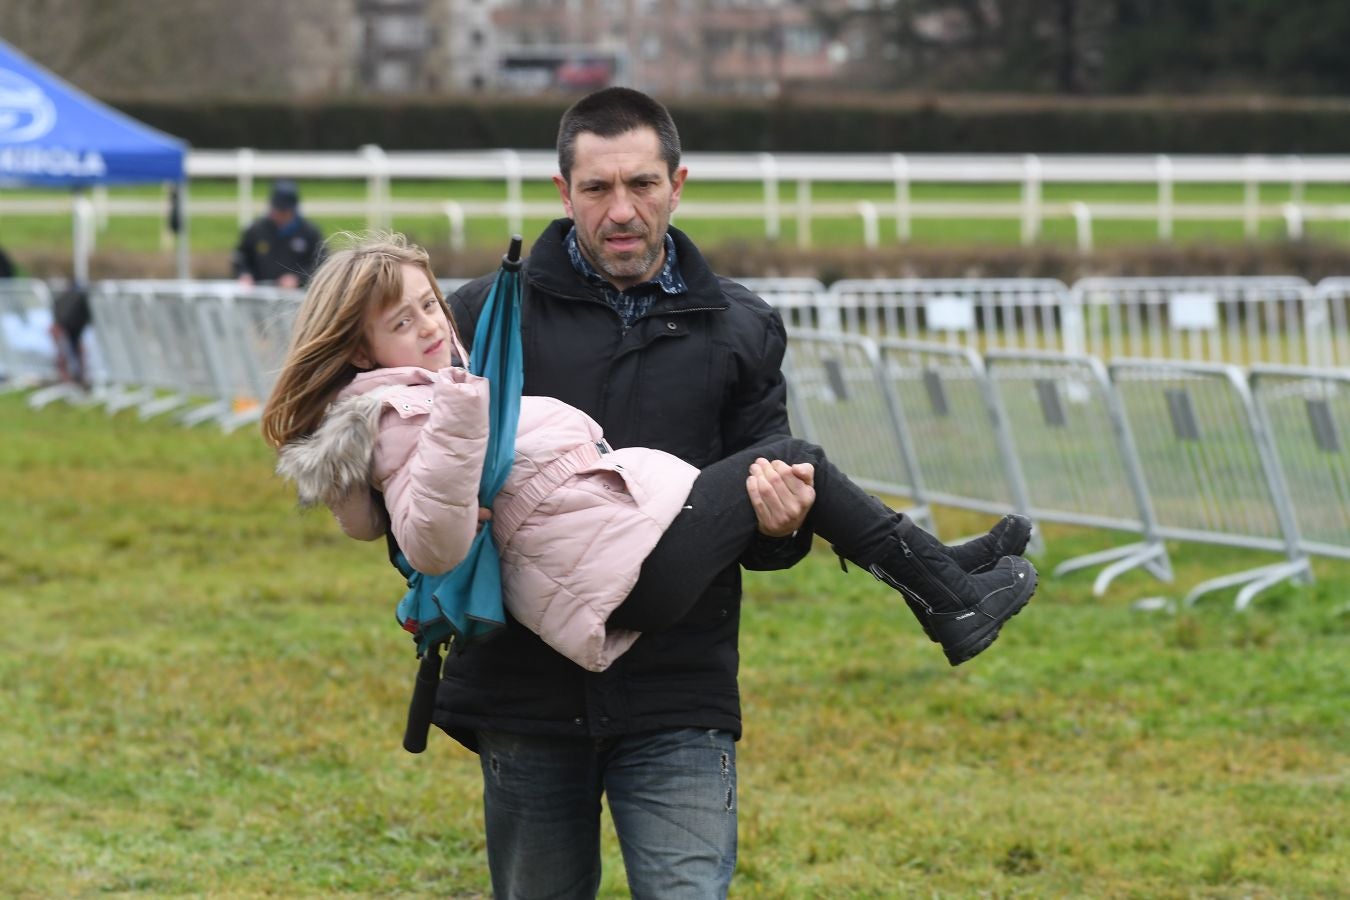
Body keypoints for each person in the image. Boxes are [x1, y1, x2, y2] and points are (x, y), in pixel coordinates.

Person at [289, 88, 1025, 899]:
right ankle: (946, 587)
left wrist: (781, 528)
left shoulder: (740, 325)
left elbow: (767, 517)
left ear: (677, 185)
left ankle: (945, 585)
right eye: (597, 188)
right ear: (563, 193)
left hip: (679, 685)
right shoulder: (479, 318)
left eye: (641, 184)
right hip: (523, 693)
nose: (621, 210)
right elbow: (409, 507)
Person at [263, 232, 1035, 669]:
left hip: (619, 558)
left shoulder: (435, 391)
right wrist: (463, 414)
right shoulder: (400, 412)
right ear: (360, 351)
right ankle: (947, 595)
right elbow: (433, 541)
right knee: (791, 454)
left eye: (430, 303)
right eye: (402, 322)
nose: (432, 325)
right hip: (621, 576)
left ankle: (942, 573)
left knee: (790, 460)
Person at [232, 179, 324, 288]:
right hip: (260, 292)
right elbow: (240, 257)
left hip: (297, 294)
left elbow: (321, 263)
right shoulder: (256, 230)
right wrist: (244, 274)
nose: (278, 215)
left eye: (283, 211)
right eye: (276, 209)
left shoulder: (309, 232)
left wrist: (298, 279)